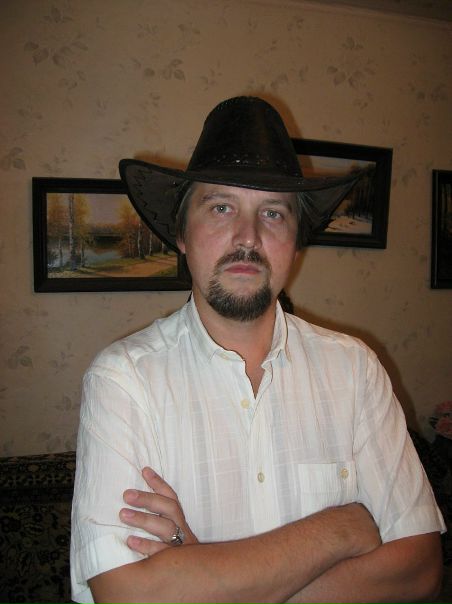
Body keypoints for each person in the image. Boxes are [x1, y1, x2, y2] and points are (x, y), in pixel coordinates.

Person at [70, 96, 445, 604]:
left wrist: (208, 579)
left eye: (272, 213)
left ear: (295, 241)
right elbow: (125, 593)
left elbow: (420, 569)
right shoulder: (122, 380)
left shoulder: (355, 370)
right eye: (221, 207)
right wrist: (341, 528)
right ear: (182, 234)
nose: (247, 237)